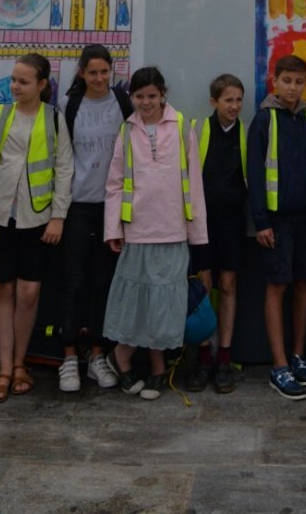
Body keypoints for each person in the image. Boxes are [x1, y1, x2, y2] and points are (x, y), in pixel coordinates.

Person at [103, 66, 209, 401]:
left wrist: (197, 234)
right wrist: (113, 228)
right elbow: (115, 183)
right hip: (137, 230)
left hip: (173, 230)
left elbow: (194, 183)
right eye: (139, 96)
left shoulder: (181, 126)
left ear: (163, 94)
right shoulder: (127, 130)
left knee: (164, 305)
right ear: (131, 97)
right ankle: (122, 356)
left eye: (151, 96)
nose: (145, 102)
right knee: (137, 302)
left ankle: (158, 367)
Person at [0, 52, 73, 404]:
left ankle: (21, 364)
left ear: (42, 84)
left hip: (37, 220)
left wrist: (58, 215)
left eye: (23, 81)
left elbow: (64, 169)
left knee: (29, 293)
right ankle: (4, 369)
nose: (15, 87)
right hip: (1, 219)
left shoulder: (54, 119)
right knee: (4, 291)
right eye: (13, 80)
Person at [247, 54, 306, 400]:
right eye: (287, 81)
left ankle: (298, 355)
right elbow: (256, 174)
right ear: (275, 81)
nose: (293, 88)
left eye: (299, 82)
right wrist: (261, 221)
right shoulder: (263, 120)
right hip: (276, 221)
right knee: (277, 287)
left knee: (304, 283)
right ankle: (278, 366)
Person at [56, 45, 131, 393]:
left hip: (111, 206)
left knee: (105, 282)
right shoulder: (69, 107)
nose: (99, 79)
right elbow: (62, 159)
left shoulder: (122, 103)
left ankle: (98, 356)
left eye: (105, 72)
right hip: (76, 206)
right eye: (92, 73)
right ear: (81, 73)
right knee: (72, 281)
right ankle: (69, 356)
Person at [187, 73, 247, 395]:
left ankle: (224, 357)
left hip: (234, 223)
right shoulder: (199, 130)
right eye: (228, 100)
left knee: (228, 284)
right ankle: (203, 358)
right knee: (204, 284)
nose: (234, 106)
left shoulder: (248, 135)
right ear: (214, 102)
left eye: (238, 100)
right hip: (203, 222)